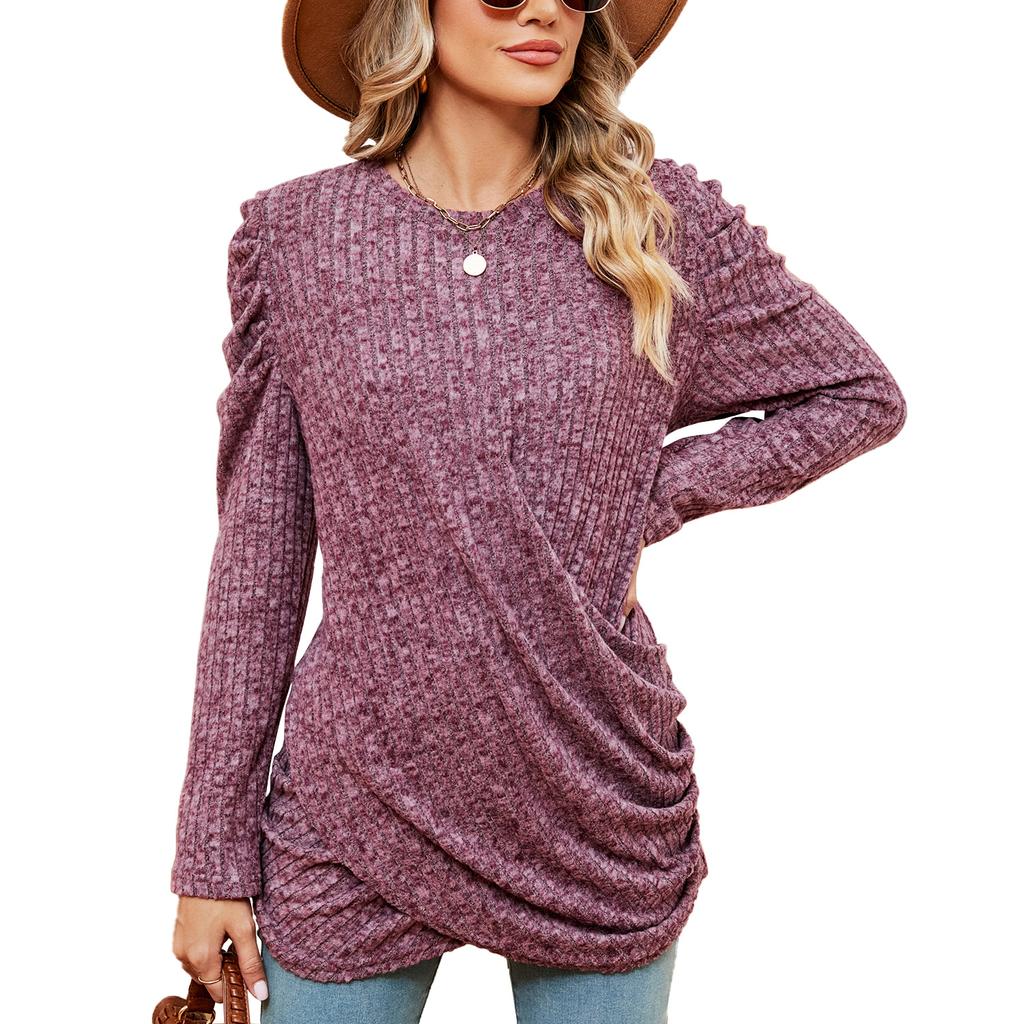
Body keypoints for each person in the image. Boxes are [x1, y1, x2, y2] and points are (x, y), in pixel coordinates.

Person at [169, 0, 908, 1021]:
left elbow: (855, 396)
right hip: (354, 804)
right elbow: (258, 561)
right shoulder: (298, 240)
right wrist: (209, 851)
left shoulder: (658, 221)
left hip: (593, 793)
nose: (543, 8)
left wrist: (650, 497)